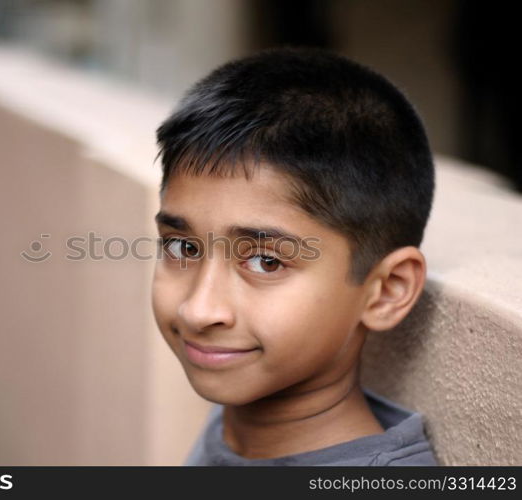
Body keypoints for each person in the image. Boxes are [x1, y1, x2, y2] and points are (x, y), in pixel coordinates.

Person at [151, 46, 438, 466]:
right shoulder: (234, 422)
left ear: (386, 291)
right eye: (183, 247)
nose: (198, 310)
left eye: (266, 261)